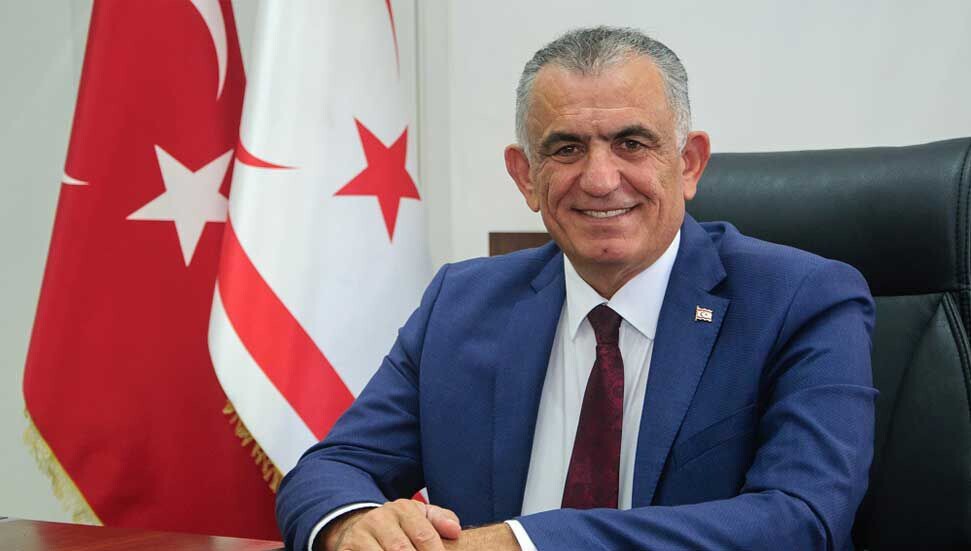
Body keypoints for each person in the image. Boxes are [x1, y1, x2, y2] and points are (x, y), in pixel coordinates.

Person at [276, 26, 876, 551]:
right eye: (566, 149)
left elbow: (801, 519)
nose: (600, 179)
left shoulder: (802, 300)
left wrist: (522, 543)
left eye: (631, 144)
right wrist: (354, 524)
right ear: (525, 177)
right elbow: (332, 469)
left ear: (689, 163)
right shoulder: (461, 302)